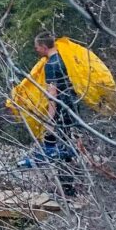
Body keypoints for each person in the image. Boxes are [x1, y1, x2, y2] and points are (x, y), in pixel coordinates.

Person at [29, 30, 77, 196]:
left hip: (61, 113)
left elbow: (52, 94)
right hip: (73, 109)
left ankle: (67, 191)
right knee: (70, 148)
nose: (36, 50)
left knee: (60, 150)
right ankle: (71, 187)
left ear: (43, 47)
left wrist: (50, 120)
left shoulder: (51, 65)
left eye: (37, 47)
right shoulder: (65, 58)